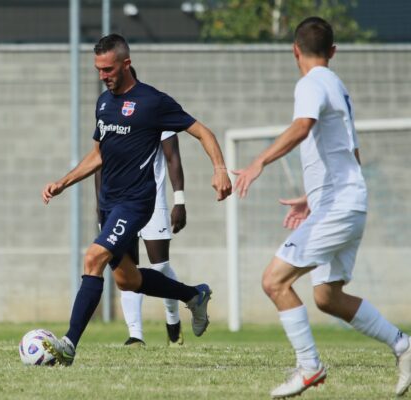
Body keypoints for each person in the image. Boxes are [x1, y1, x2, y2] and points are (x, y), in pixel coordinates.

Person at [233, 17, 411, 398]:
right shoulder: (338, 86)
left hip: (338, 206)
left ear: (295, 50)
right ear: (333, 51)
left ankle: (310, 368)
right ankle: (404, 346)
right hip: (348, 203)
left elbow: (302, 125)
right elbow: (352, 155)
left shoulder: (310, 83)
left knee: (274, 281)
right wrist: (310, 198)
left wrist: (258, 162)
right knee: (327, 296)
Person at [41, 33, 232, 366]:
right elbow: (97, 155)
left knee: (92, 259)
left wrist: (219, 169)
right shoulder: (103, 102)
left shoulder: (152, 101)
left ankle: (69, 344)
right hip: (109, 203)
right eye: (99, 70)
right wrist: (64, 181)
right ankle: (193, 294)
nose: (103, 76)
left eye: (108, 69)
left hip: (136, 202)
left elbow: (202, 131)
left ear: (126, 64)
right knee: (127, 280)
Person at [95, 65, 187, 348]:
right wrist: (101, 209)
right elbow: (100, 163)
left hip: (151, 200)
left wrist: (179, 200)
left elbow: (172, 158)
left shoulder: (152, 108)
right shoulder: (108, 113)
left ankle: (173, 323)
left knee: (159, 266)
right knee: (127, 267)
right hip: (116, 204)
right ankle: (136, 335)